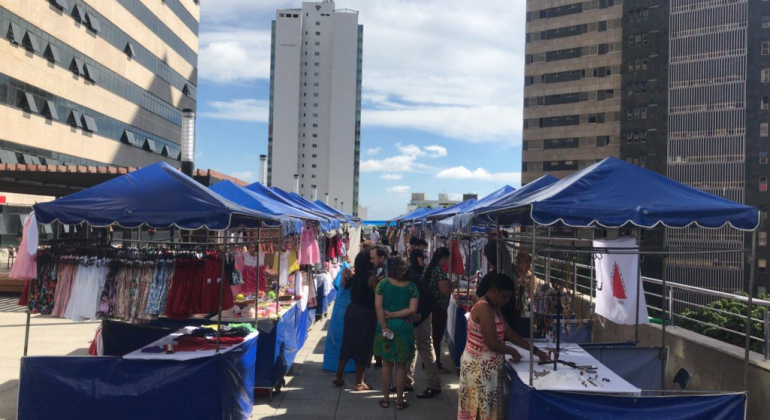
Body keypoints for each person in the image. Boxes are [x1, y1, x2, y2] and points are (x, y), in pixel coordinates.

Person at [458, 273, 550, 420]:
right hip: (479, 369)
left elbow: (510, 334)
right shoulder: (484, 308)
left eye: (509, 297)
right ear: (493, 290)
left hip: (487, 368)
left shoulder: (494, 307)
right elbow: (492, 342)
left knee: (486, 409)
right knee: (480, 410)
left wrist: (536, 351)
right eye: (504, 296)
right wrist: (512, 351)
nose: (507, 301)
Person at [373, 256, 419, 410]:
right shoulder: (412, 287)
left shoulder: (383, 284)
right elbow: (412, 310)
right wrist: (396, 314)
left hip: (385, 326)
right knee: (401, 365)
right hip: (404, 328)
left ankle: (385, 399)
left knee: (386, 363)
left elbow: (378, 306)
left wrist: (385, 324)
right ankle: (399, 400)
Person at [407, 247, 450, 398]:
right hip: (429, 310)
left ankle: (432, 384)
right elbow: (443, 291)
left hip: (424, 313)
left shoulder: (425, 272)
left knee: (426, 345)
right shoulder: (434, 271)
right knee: (423, 345)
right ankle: (408, 381)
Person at [333, 247, 378, 391]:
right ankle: (359, 382)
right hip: (365, 313)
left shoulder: (355, 275)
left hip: (352, 309)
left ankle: (338, 375)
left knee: (347, 344)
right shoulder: (372, 278)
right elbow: (378, 297)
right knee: (363, 346)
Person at [475, 240, 522, 335]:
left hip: (498, 325)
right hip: (514, 319)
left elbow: (476, 298)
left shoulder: (491, 278)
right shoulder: (514, 271)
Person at [424, 247, 454, 374]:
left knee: (431, 338)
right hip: (438, 309)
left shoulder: (428, 270)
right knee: (436, 338)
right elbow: (444, 291)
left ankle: (428, 362)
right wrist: (452, 286)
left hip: (429, 308)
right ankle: (436, 365)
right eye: (447, 259)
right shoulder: (439, 272)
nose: (447, 262)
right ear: (443, 258)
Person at [370, 246, 389, 368]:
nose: (371, 261)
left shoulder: (391, 268)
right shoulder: (382, 268)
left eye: (373, 258)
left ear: (382, 258)